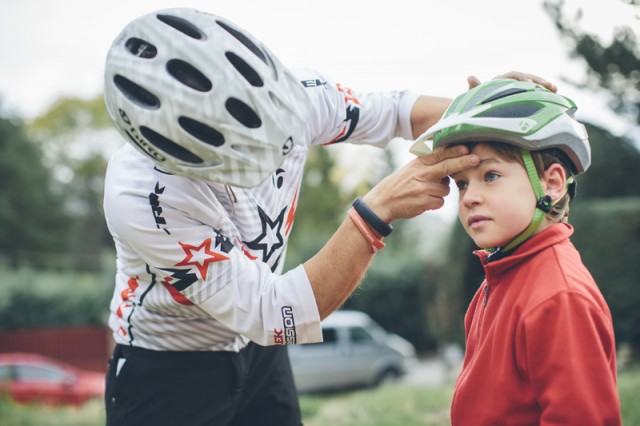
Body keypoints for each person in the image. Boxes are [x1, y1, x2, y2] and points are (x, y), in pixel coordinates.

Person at [102, 8, 556, 426]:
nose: (278, 152)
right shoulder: (143, 196)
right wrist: (375, 213)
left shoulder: (298, 95)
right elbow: (274, 313)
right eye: (244, 154)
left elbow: (394, 111)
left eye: (275, 127)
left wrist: (483, 108)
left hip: (259, 354)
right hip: (167, 365)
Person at [411, 79, 622, 425]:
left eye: (490, 175)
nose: (469, 197)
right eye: (462, 183)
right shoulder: (499, 277)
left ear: (552, 184)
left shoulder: (559, 297)